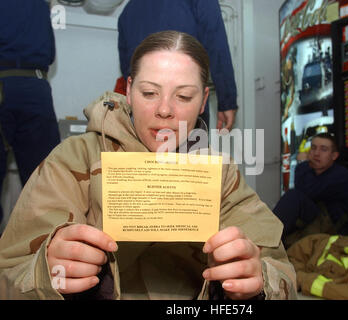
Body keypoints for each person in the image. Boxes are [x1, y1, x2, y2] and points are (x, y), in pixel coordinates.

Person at [0, 31, 296, 300]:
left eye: (183, 96)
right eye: (149, 93)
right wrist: (45, 274)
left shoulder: (220, 174)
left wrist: (259, 283)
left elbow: (282, 274)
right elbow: (8, 276)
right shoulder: (73, 159)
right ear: (128, 91)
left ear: (204, 100)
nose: (164, 109)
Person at [117, 0, 238, 131]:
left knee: (143, 150)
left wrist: (148, 93)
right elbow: (217, 48)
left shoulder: (129, 10)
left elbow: (127, 69)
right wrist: (227, 102)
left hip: (143, 111)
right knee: (190, 149)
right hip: (186, 111)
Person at [0, 0, 61, 229]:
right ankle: (43, 254)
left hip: (13, 80)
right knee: (44, 184)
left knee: (44, 183)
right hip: (35, 85)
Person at [273, 133, 348, 248]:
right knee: (293, 198)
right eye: (313, 148)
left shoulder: (341, 175)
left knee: (293, 196)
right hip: (317, 223)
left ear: (334, 156)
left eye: (323, 149)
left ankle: (267, 237)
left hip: (338, 229)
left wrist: (303, 163)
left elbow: (307, 192)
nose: (316, 153)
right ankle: (267, 237)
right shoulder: (307, 169)